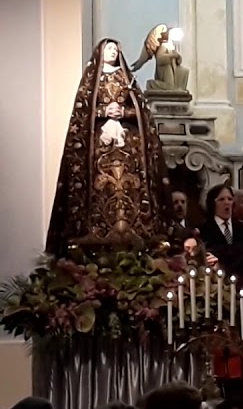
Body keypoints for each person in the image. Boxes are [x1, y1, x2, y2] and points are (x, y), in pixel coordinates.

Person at [45, 39, 174, 256]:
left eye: (116, 49)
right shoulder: (91, 80)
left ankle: (136, 227)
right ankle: (95, 227)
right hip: (100, 147)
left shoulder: (127, 78)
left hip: (127, 147)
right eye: (109, 48)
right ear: (100, 53)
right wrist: (104, 112)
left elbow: (142, 113)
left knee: (129, 186)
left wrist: (123, 113)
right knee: (100, 186)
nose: (113, 52)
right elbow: (83, 115)